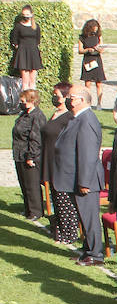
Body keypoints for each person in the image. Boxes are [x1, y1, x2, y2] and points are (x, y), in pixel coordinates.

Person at [52, 88, 104, 264]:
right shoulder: (77, 118)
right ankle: (88, 249)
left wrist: (84, 182)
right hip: (74, 178)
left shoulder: (86, 120)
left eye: (70, 97)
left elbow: (88, 154)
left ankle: (96, 254)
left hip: (85, 180)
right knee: (84, 217)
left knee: (89, 218)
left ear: (81, 100)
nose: (68, 100)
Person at [41, 84, 73, 240]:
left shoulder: (69, 117)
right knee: (55, 198)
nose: (54, 97)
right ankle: (58, 227)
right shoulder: (55, 113)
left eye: (57, 95)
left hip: (60, 164)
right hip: (49, 160)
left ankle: (68, 232)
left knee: (63, 199)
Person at [11, 89, 45, 225]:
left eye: (24, 100)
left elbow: (36, 139)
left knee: (32, 185)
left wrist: (31, 156)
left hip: (29, 155)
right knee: (24, 183)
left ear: (32, 100)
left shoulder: (37, 116)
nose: (22, 102)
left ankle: (36, 211)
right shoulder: (24, 114)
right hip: (20, 153)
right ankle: (28, 209)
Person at [9, 6, 42, 90]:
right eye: (24, 14)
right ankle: (25, 100)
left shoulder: (36, 26)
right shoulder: (18, 26)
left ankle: (33, 100)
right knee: (25, 81)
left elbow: (38, 39)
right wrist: (19, 48)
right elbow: (14, 39)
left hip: (34, 52)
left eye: (27, 14)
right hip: (23, 52)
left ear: (32, 14)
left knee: (33, 81)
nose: (26, 16)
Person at [78, 19, 106, 106]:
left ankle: (99, 103)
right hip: (88, 59)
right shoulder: (82, 37)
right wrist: (87, 50)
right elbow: (80, 50)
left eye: (97, 28)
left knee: (99, 83)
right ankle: (88, 102)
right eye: (94, 28)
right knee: (88, 83)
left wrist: (99, 49)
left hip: (97, 59)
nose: (95, 30)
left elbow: (102, 49)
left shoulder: (98, 36)